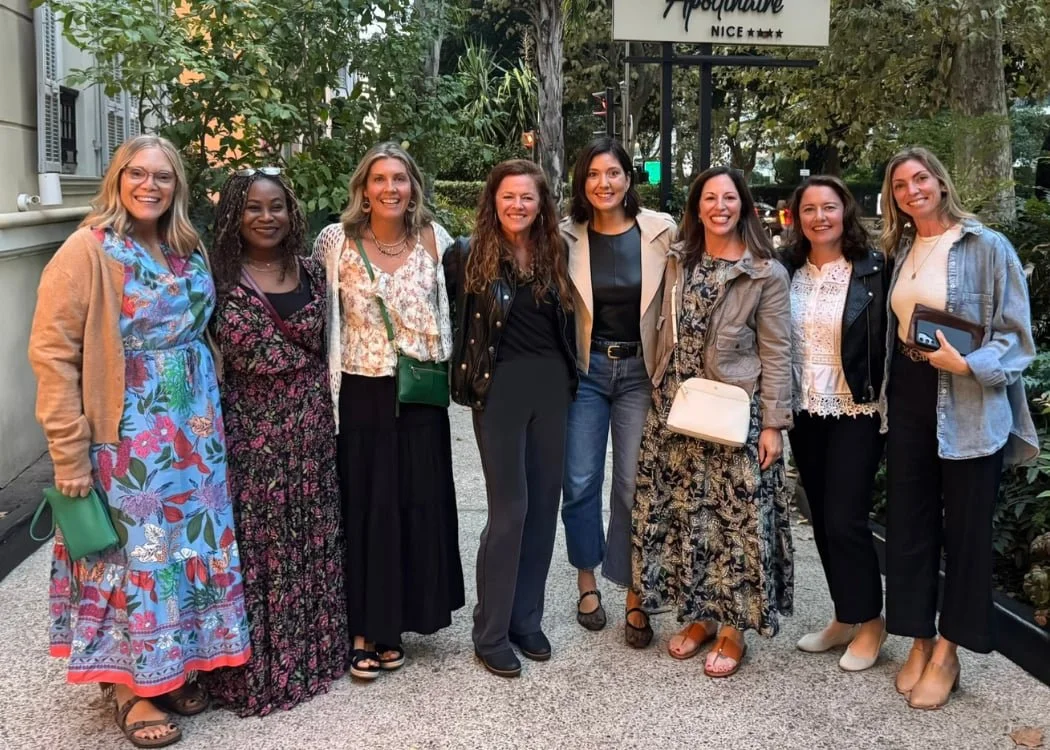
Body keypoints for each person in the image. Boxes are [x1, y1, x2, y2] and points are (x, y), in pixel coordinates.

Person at [28, 134, 250, 748]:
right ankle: (132, 689)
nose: (149, 185)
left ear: (176, 186)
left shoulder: (186, 245)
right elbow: (52, 356)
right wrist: (69, 456)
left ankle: (172, 665)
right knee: (136, 558)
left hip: (193, 436)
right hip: (126, 441)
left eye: (163, 176)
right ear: (117, 178)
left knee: (181, 552)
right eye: (137, 173)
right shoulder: (88, 250)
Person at [879, 147, 1037, 709]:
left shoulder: (986, 246)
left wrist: (969, 365)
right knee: (910, 524)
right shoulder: (900, 248)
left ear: (941, 183)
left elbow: (1018, 338)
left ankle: (948, 650)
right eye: (900, 185)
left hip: (967, 399)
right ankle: (919, 639)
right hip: (909, 396)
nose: (911, 190)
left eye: (920, 179)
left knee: (967, 532)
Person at [633, 166, 794, 677]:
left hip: (733, 412)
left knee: (735, 521)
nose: (719, 206)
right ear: (696, 206)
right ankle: (701, 615)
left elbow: (777, 349)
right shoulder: (680, 259)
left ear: (743, 205)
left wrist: (774, 423)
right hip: (677, 408)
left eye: (729, 197)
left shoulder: (765, 271)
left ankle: (733, 629)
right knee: (686, 513)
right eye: (709, 197)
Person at [312, 142, 463, 681]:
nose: (391, 188)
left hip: (419, 392)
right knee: (367, 507)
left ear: (413, 186)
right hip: (362, 389)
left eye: (400, 178)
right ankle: (361, 628)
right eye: (380, 179)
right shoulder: (337, 241)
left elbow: (456, 304)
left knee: (415, 503)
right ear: (363, 189)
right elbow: (318, 314)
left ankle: (396, 623)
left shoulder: (433, 239)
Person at [201, 169, 348, 714]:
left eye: (277, 207)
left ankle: (314, 654)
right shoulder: (215, 280)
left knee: (310, 539)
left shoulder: (314, 271)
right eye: (254, 208)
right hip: (250, 435)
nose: (266, 217)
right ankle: (254, 666)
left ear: (292, 213)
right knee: (260, 549)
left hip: (311, 431)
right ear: (235, 216)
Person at [444, 159, 577, 678]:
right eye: (509, 196)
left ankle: (526, 620)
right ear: (492, 201)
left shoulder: (555, 251)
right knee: (510, 510)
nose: (518, 205)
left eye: (528, 197)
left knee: (545, 505)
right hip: (498, 389)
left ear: (542, 203)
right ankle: (490, 630)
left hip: (552, 386)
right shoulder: (467, 253)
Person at [559, 137, 676, 644]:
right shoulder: (565, 235)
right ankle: (587, 581)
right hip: (585, 372)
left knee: (631, 484)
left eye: (612, 173)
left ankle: (631, 591)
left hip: (638, 372)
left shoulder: (660, 232)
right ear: (581, 183)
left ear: (629, 178)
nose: (602, 183)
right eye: (592, 175)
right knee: (581, 480)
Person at [781, 176, 888, 671]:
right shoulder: (788, 269)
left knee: (845, 517)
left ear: (845, 211)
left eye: (829, 207)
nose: (819, 217)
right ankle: (845, 615)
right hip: (806, 409)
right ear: (795, 218)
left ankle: (871, 624)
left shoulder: (872, 270)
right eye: (809, 210)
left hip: (856, 408)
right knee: (822, 516)